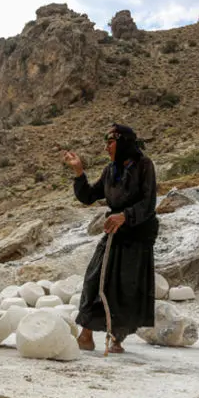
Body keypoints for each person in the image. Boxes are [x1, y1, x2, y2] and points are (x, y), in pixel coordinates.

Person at [62, 124, 158, 353]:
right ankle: (86, 335)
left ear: (124, 142)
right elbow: (88, 196)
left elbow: (149, 202)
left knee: (125, 287)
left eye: (110, 142)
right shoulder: (110, 170)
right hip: (114, 234)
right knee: (94, 279)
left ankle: (117, 339)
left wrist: (126, 216)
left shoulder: (144, 166)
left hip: (137, 236)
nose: (106, 148)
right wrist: (78, 172)